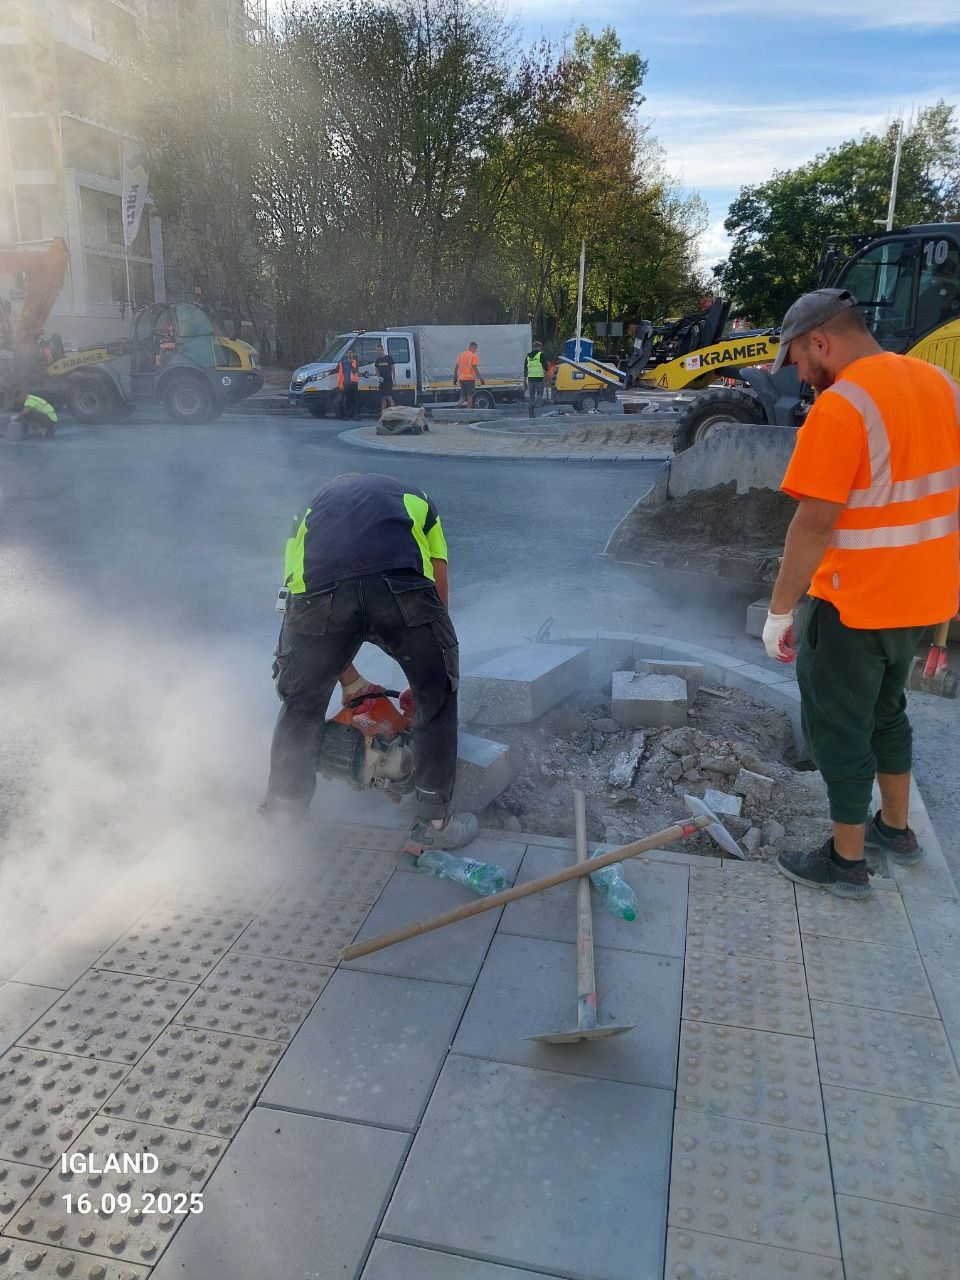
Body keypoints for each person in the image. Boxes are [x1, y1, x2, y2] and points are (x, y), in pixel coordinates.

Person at [761, 288, 960, 898]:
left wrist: (778, 611)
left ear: (821, 340)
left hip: (855, 603)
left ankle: (846, 862)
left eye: (796, 357)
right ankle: (895, 830)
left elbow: (813, 523)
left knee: (840, 727)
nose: (798, 372)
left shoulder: (843, 405)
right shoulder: (942, 386)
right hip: (922, 601)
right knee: (887, 712)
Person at [260, 471, 478, 852]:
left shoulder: (307, 512)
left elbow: (295, 595)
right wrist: (429, 668)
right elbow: (437, 578)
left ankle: (284, 816)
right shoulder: (416, 498)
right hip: (400, 590)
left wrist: (349, 680)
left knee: (302, 703)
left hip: (320, 599)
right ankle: (435, 822)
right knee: (437, 697)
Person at [453, 341, 484, 408]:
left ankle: (457, 407)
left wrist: (455, 377)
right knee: (470, 396)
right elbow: (475, 369)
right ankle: (468, 411)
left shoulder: (461, 355)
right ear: (472, 347)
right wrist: (481, 378)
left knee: (463, 396)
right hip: (469, 379)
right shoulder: (473, 356)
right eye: (475, 349)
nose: (475, 351)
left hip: (461, 379)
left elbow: (456, 366)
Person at [524, 340, 546, 418]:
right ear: (540, 347)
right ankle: (532, 405)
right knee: (540, 394)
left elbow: (525, 369)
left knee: (532, 396)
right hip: (539, 378)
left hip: (530, 379)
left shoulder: (528, 356)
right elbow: (546, 367)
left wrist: (524, 380)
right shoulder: (541, 355)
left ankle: (532, 415)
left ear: (533, 347)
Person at [337, 350, 360, 419]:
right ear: (346, 354)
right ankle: (346, 415)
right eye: (348, 353)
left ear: (353, 354)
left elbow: (355, 372)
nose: (350, 354)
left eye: (351, 353)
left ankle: (355, 415)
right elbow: (340, 375)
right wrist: (341, 385)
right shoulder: (343, 363)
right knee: (346, 400)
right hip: (346, 383)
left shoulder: (356, 362)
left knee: (354, 400)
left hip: (354, 383)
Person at [375, 342, 396, 414]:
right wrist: (379, 377)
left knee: (389, 397)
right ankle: (383, 415)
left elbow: (393, 369)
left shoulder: (388, 358)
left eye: (380, 350)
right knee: (383, 398)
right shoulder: (378, 360)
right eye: (377, 350)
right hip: (382, 381)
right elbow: (376, 369)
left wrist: (394, 379)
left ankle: (394, 414)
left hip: (388, 381)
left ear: (383, 350)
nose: (379, 351)